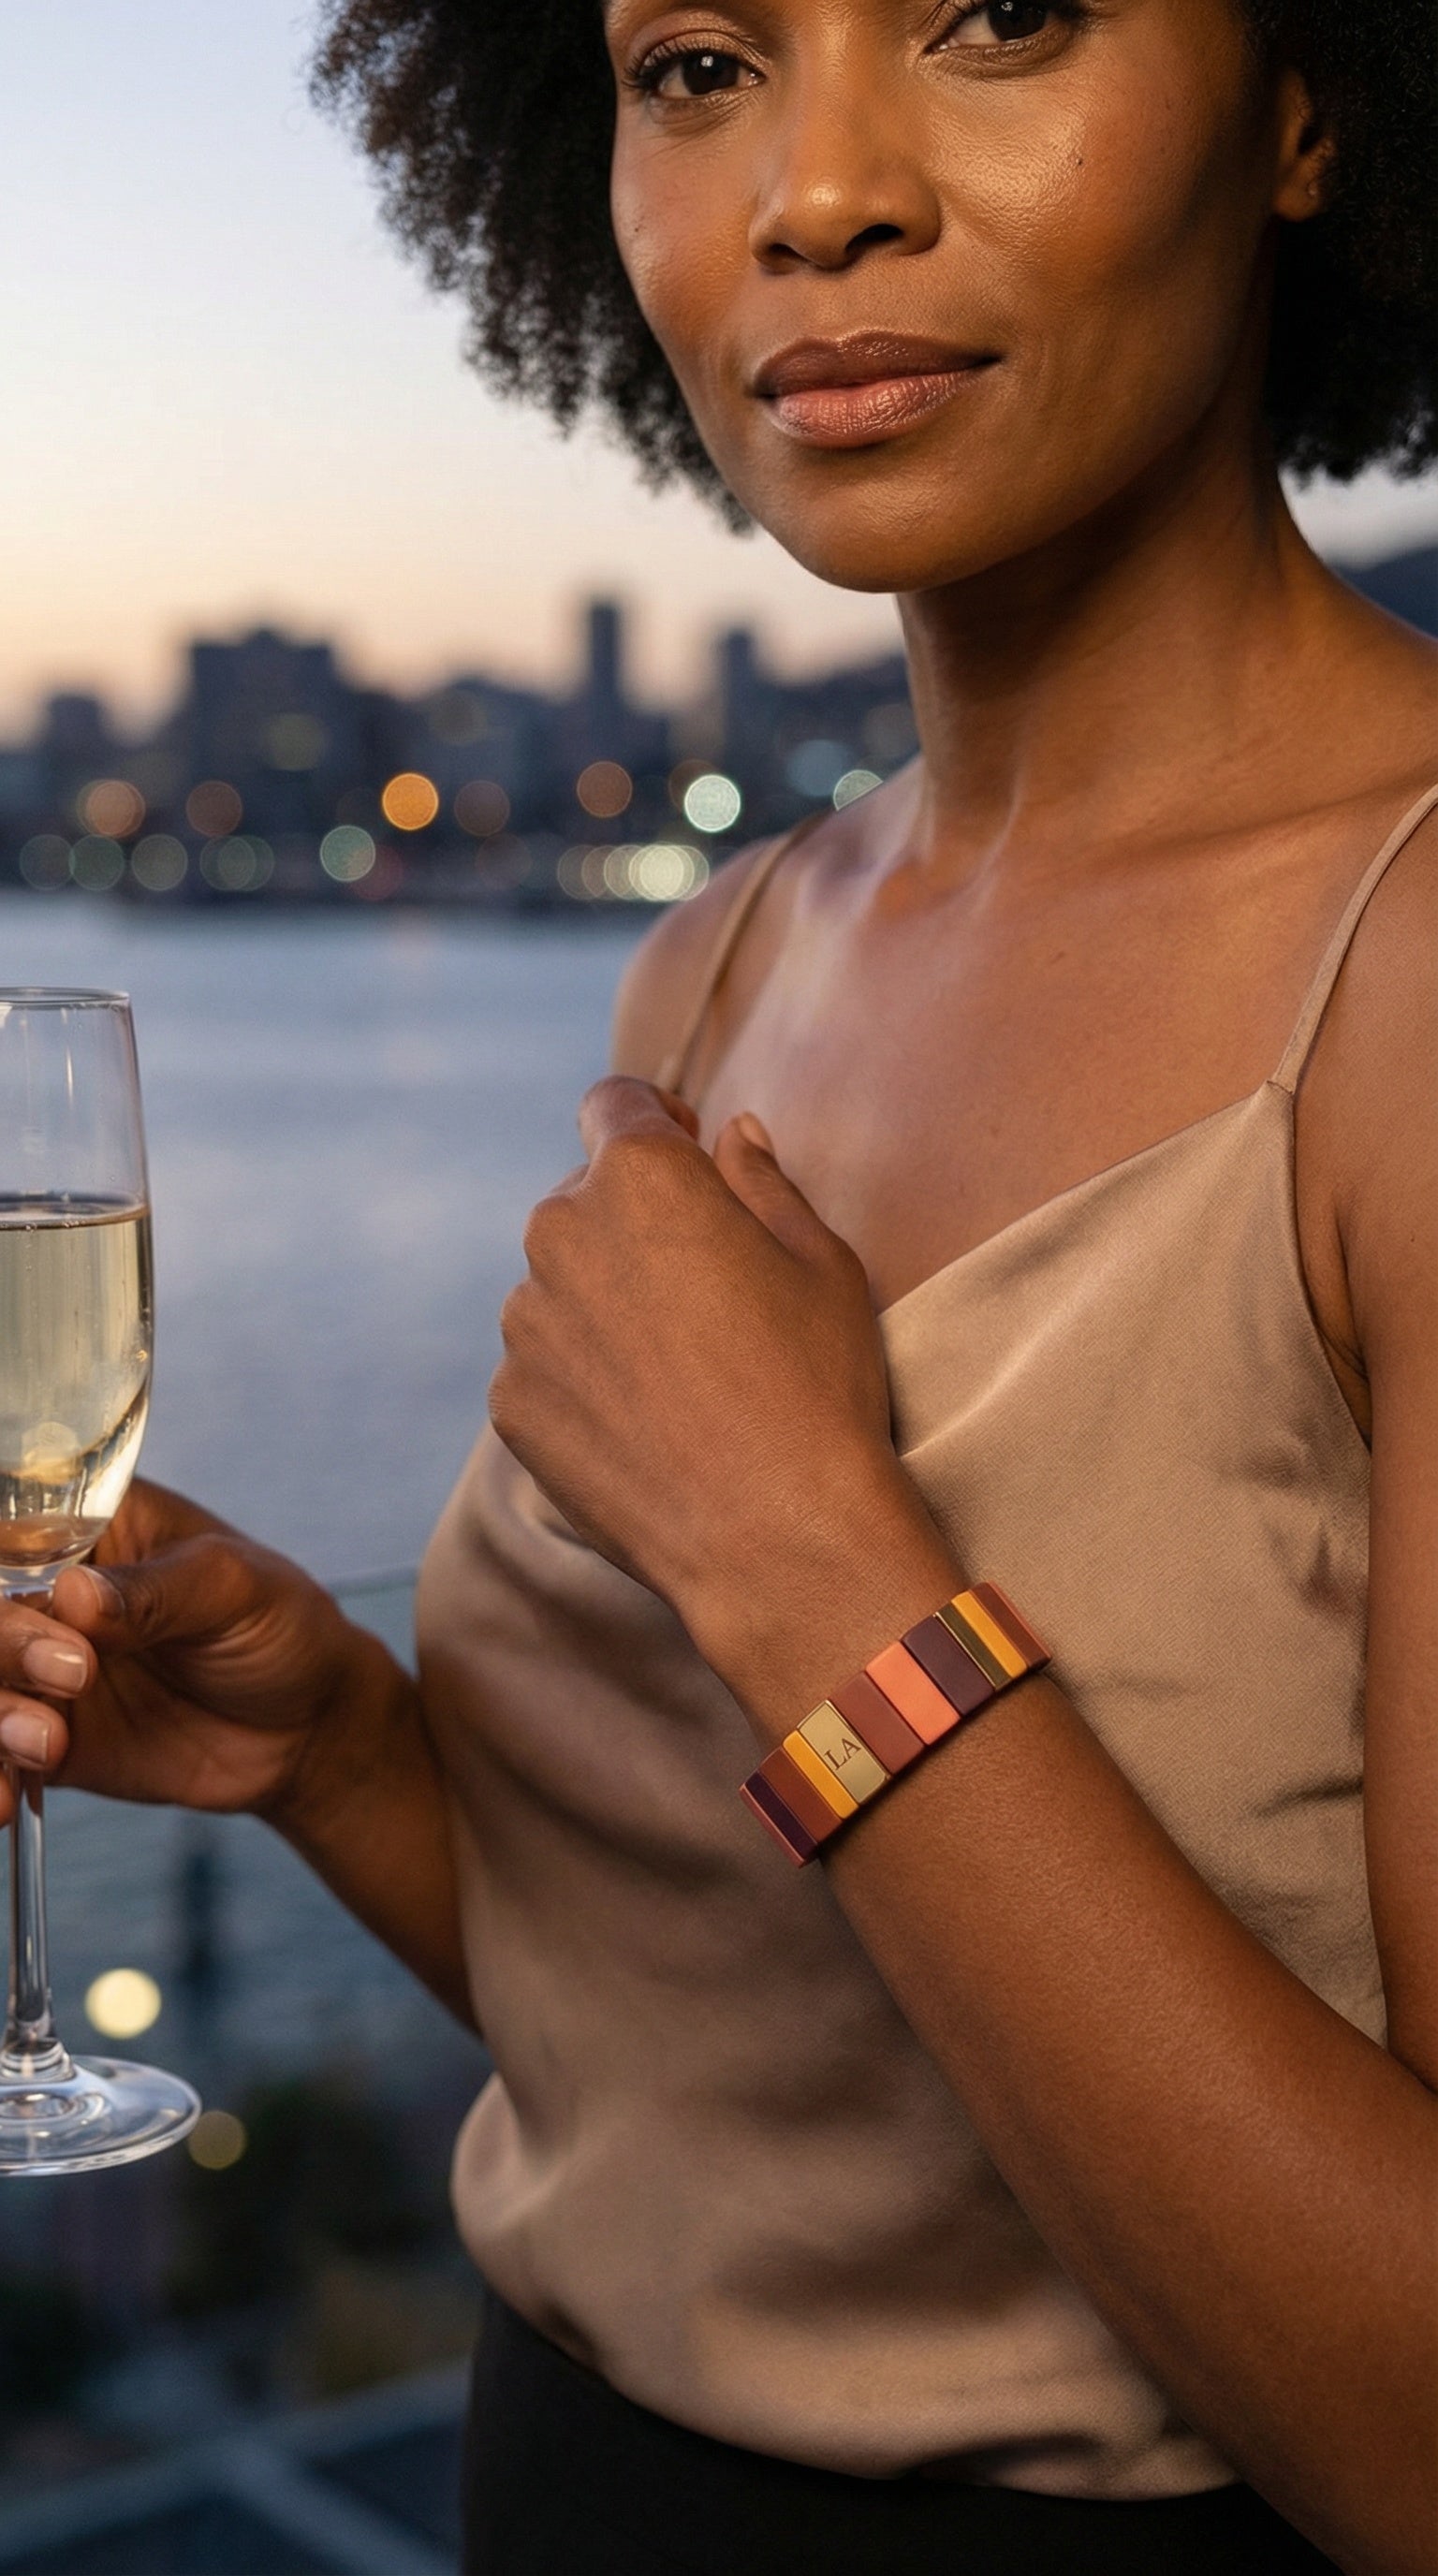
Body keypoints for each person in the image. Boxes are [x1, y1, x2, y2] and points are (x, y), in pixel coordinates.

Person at [3, 0, 1434, 2566]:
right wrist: (336, 1749)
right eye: (694, 66)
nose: (818, 190)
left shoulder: (1408, 985)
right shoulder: (730, 960)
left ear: (1309, 101)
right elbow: (740, 2094)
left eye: (1000, 12)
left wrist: (807, 1561)